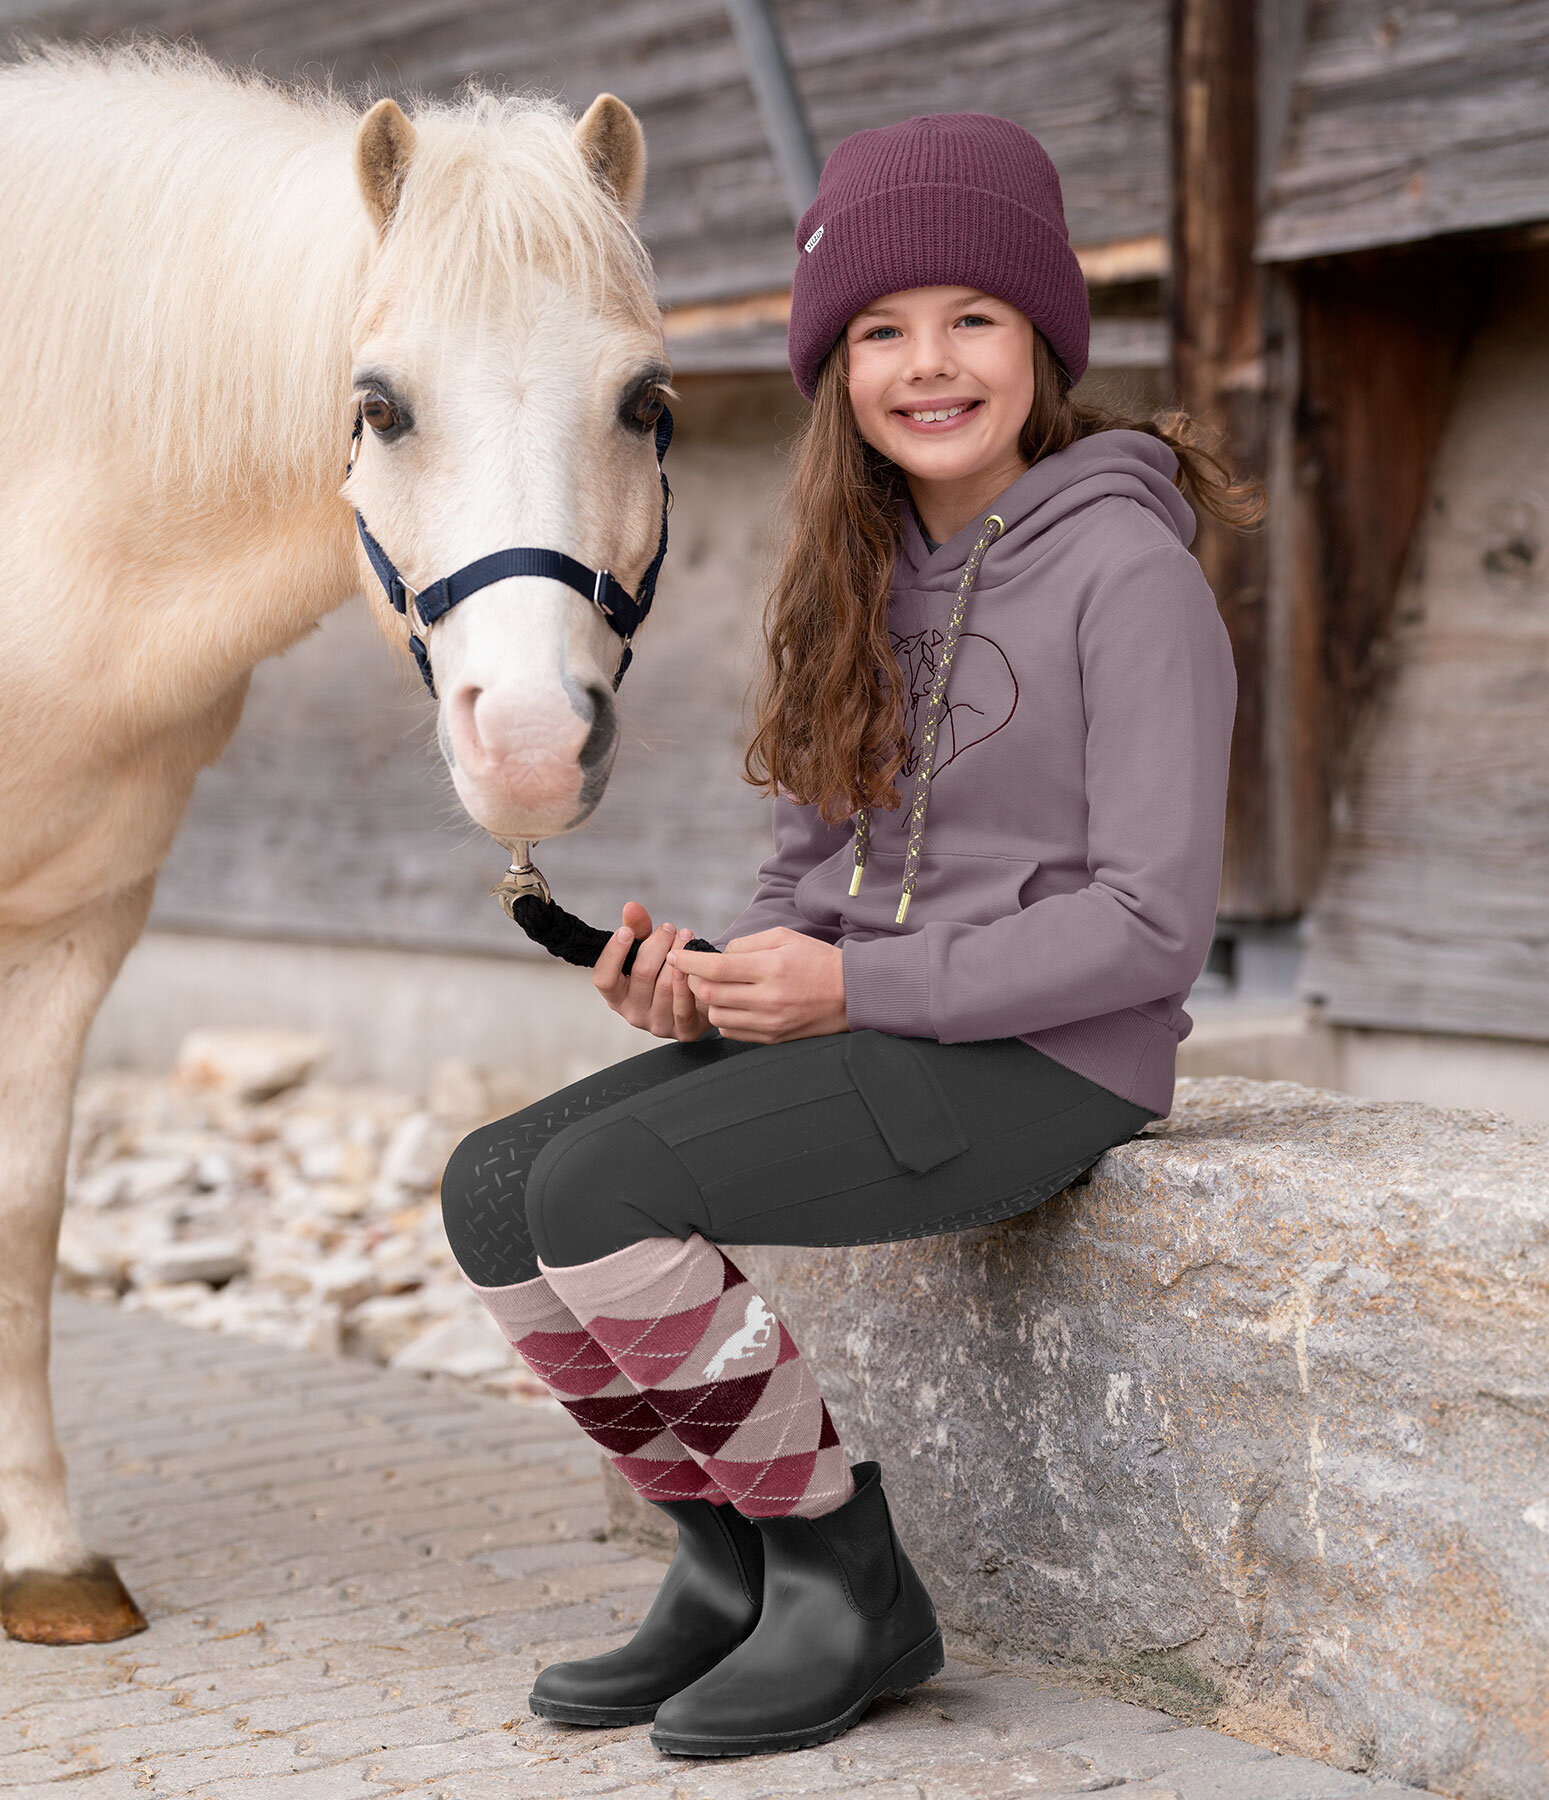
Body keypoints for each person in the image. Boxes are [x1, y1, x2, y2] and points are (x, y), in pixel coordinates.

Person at [439, 111, 1255, 1760]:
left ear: (1040, 337)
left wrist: (853, 986)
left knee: (606, 1196)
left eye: (971, 318)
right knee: (497, 1189)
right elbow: (808, 868)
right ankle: (725, 1560)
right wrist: (715, 988)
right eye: (879, 330)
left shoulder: (1126, 571)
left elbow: (1153, 928)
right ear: (836, 368)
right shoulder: (858, 569)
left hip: (1049, 1059)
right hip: (882, 1031)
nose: (926, 364)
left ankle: (844, 1582)